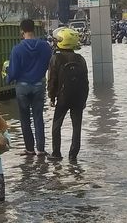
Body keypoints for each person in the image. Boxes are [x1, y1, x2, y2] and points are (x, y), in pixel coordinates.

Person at [6, 19, 52, 156]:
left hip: (22, 87)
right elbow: (49, 64)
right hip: (39, 85)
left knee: (25, 118)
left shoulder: (17, 49)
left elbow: (13, 72)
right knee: (38, 117)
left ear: (22, 31)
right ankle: (41, 149)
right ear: (34, 30)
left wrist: (8, 78)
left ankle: (29, 149)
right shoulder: (45, 47)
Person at [48, 28, 89, 162]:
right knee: (76, 127)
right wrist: (84, 100)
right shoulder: (80, 59)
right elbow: (85, 81)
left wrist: (52, 97)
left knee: (56, 125)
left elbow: (52, 80)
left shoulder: (56, 58)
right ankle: (73, 156)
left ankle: (56, 153)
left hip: (63, 98)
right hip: (78, 98)